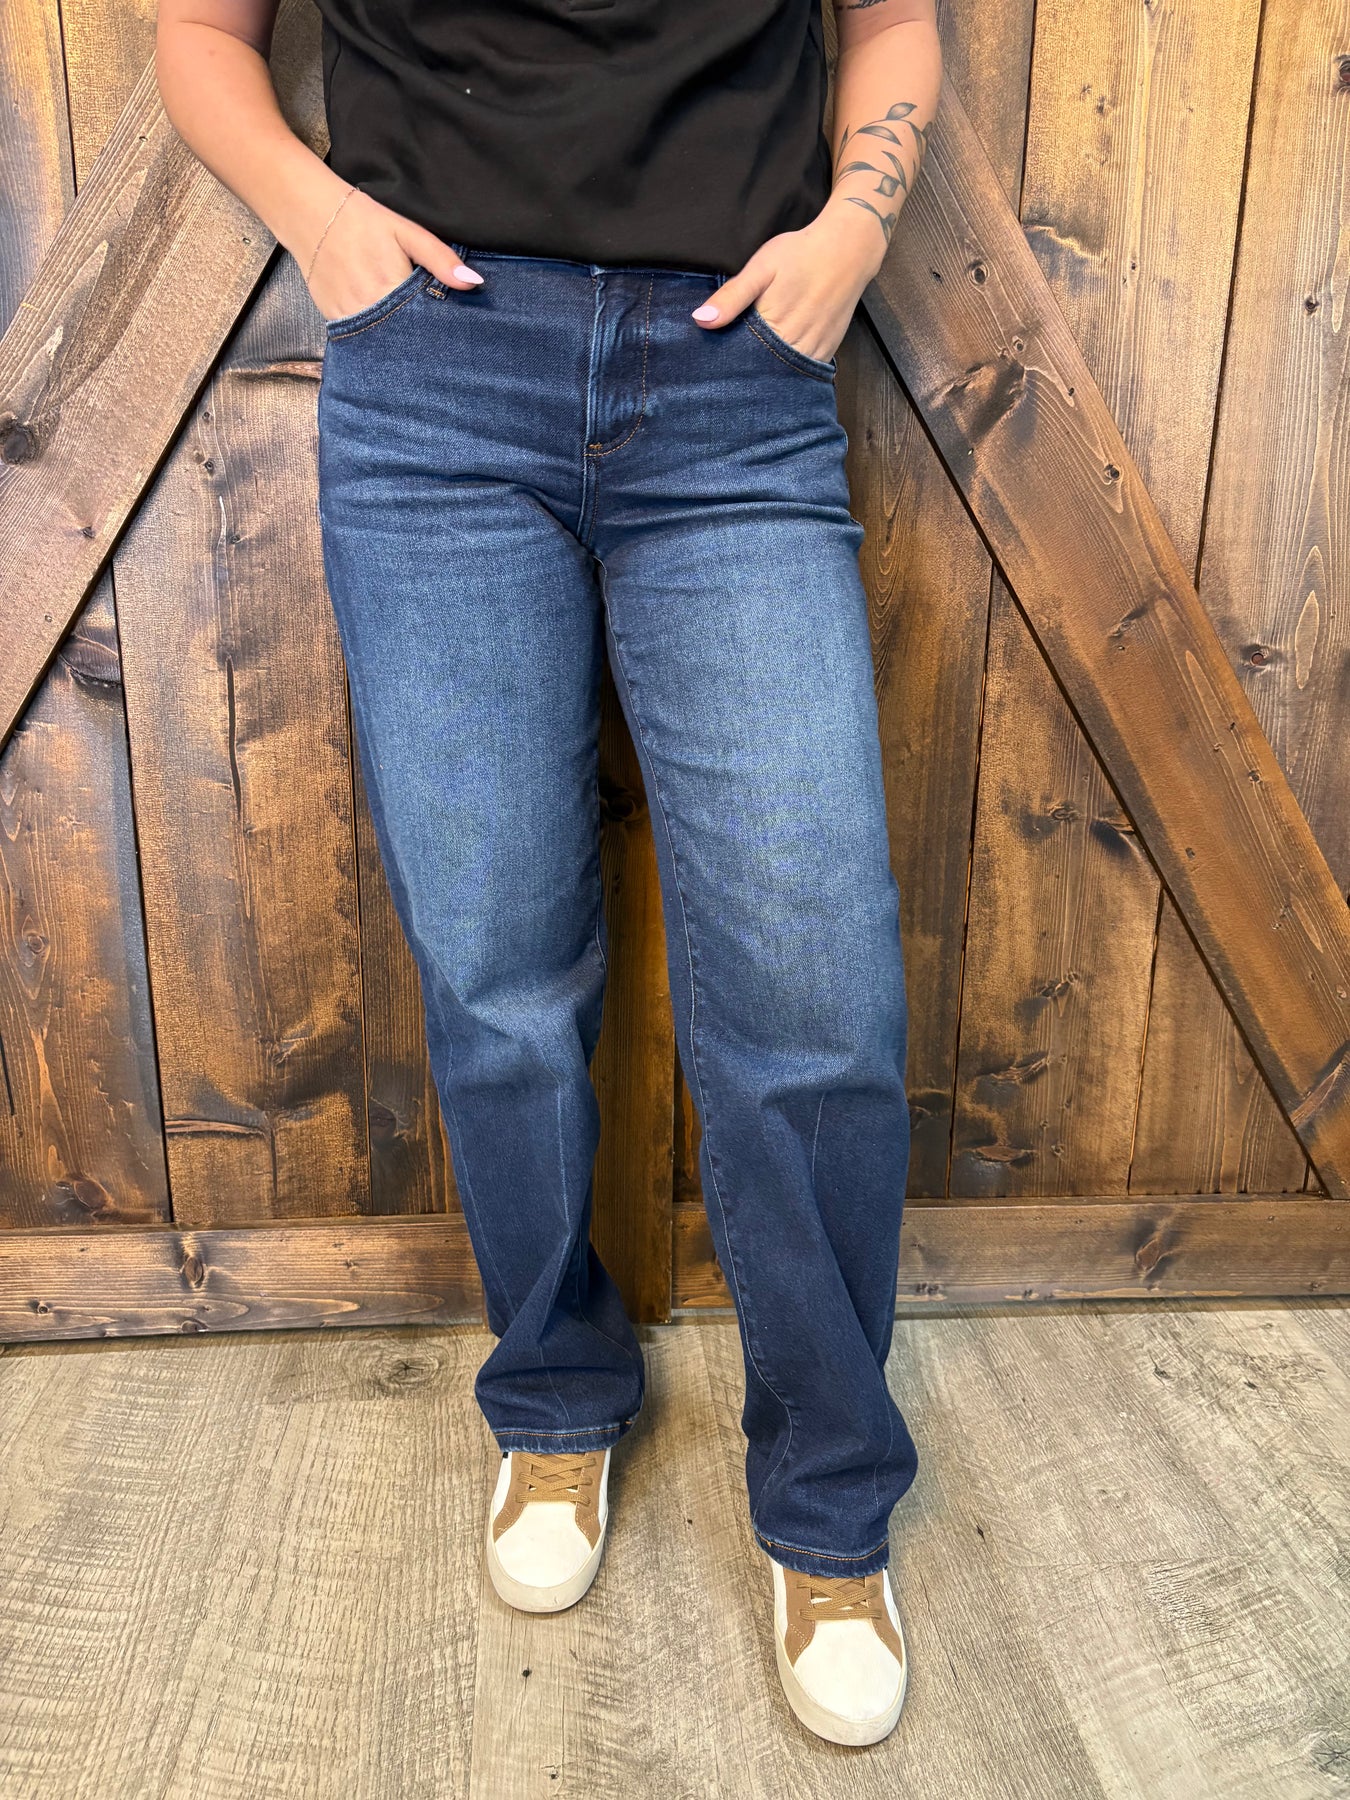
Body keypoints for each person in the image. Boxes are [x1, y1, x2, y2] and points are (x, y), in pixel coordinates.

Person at [156, 0, 942, 1748]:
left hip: (734, 376)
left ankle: (828, 1497)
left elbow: (893, 18)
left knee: (815, 991)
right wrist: (324, 224)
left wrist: (854, 227)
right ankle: (554, 1391)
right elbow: (199, 33)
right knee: (496, 962)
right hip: (436, 375)